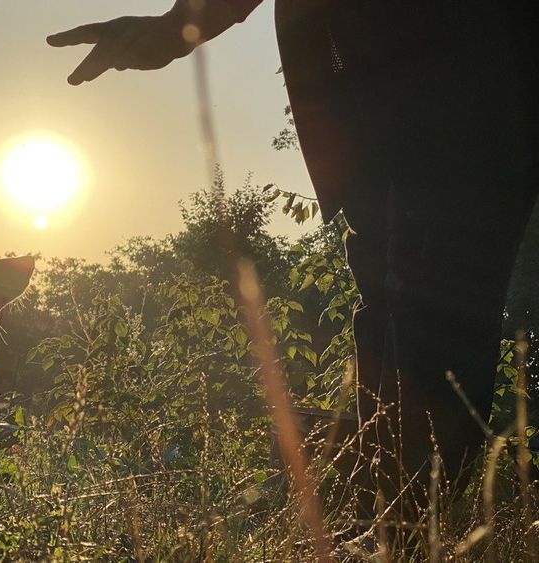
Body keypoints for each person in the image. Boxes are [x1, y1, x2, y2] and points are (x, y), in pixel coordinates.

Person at [49, 0, 538, 518]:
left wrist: (175, 30)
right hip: (382, 121)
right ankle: (393, 527)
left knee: (432, 319)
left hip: (461, 108)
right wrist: (175, 29)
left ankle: (410, 531)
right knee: (392, 317)